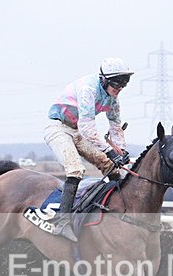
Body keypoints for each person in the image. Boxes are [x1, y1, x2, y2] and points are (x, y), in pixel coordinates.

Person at [44, 57, 133, 241]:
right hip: (58, 129)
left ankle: (114, 210)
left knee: (110, 165)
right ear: (104, 80)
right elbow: (87, 127)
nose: (120, 88)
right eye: (117, 83)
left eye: (124, 83)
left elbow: (115, 125)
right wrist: (108, 150)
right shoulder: (89, 89)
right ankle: (62, 222)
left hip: (76, 132)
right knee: (76, 170)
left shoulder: (113, 99)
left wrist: (120, 151)